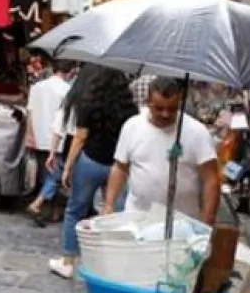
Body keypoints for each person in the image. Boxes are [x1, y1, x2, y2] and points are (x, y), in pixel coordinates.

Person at [48, 65, 138, 280]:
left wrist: (68, 166)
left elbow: (80, 137)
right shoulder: (129, 108)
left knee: (75, 210)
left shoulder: (89, 103)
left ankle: (68, 261)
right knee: (117, 216)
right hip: (118, 164)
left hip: (90, 160)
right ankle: (112, 265)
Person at [104, 76, 221, 227]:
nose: (165, 114)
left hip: (182, 223)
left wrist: (208, 219)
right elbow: (120, 167)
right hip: (138, 218)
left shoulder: (197, 132)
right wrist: (109, 204)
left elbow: (211, 178)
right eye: (159, 108)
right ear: (148, 103)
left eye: (172, 109)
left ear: (180, 102)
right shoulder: (132, 126)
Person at [24, 56, 73, 224]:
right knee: (56, 175)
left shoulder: (37, 87)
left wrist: (29, 135)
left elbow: (29, 112)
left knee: (47, 174)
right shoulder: (67, 90)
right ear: (70, 72)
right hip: (56, 138)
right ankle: (37, 204)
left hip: (38, 135)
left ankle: (53, 211)